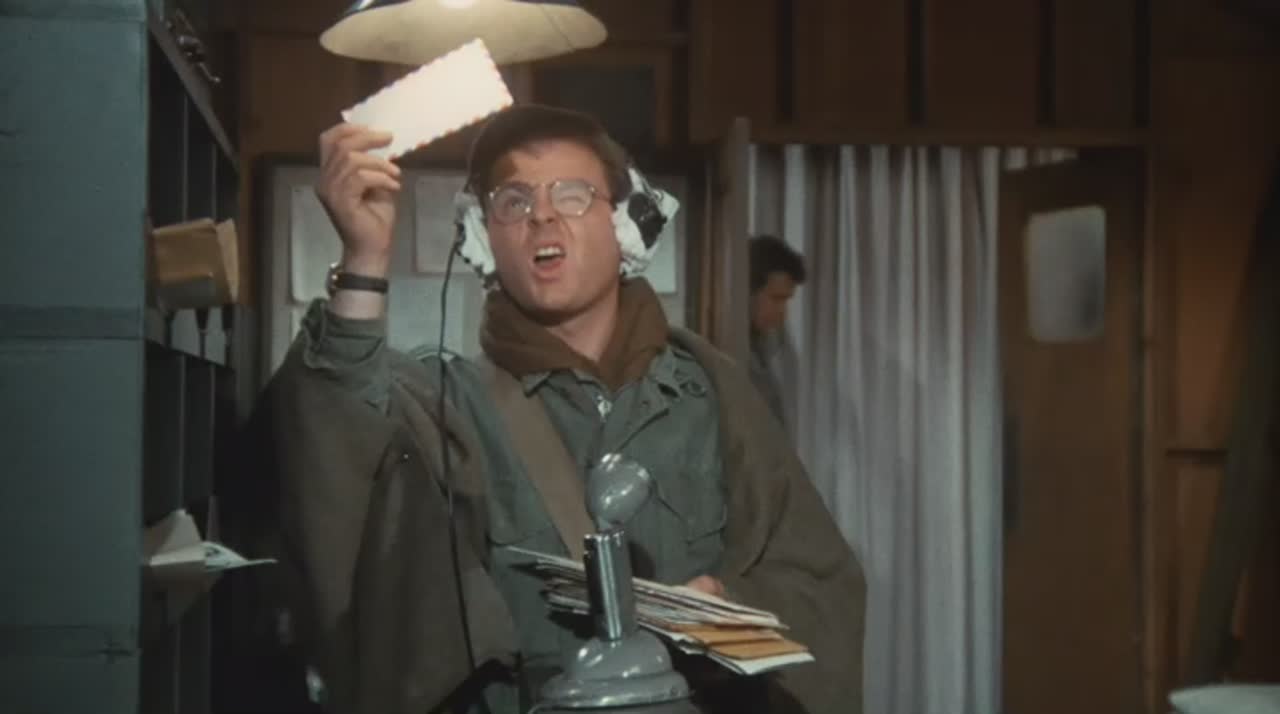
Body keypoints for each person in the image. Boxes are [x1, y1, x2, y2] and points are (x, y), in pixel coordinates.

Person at [256, 104, 864, 714]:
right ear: (483, 238)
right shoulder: (448, 406)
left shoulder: (714, 395)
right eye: (513, 201)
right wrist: (364, 262)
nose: (541, 215)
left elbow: (820, 583)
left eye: (572, 195)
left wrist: (730, 611)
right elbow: (333, 455)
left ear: (626, 225)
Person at [747, 235, 807, 427]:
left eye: (786, 301)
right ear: (747, 292)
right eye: (776, 299)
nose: (783, 313)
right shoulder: (729, 348)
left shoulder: (771, 346)